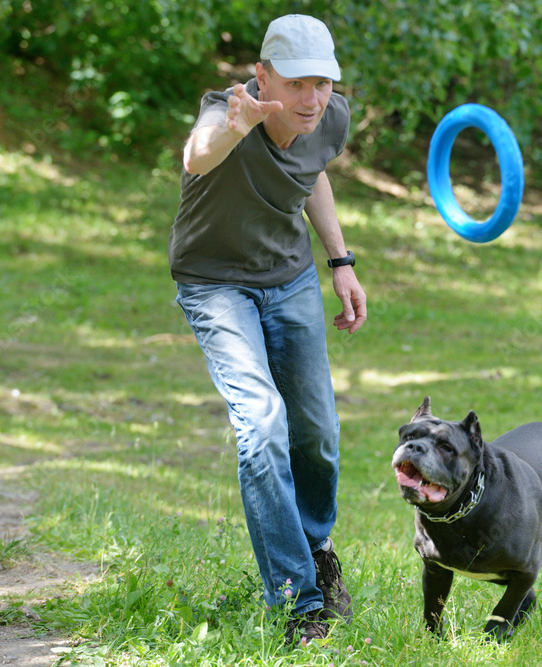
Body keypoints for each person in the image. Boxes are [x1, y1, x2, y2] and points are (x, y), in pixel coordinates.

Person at [168, 14, 366, 646]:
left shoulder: (327, 118)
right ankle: (298, 602)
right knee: (261, 424)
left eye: (323, 84)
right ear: (263, 75)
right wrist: (238, 125)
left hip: (289, 279)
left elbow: (314, 175)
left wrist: (340, 262)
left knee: (317, 432)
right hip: (215, 283)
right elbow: (197, 156)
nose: (311, 99)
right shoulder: (225, 112)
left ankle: (316, 551)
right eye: (296, 84)